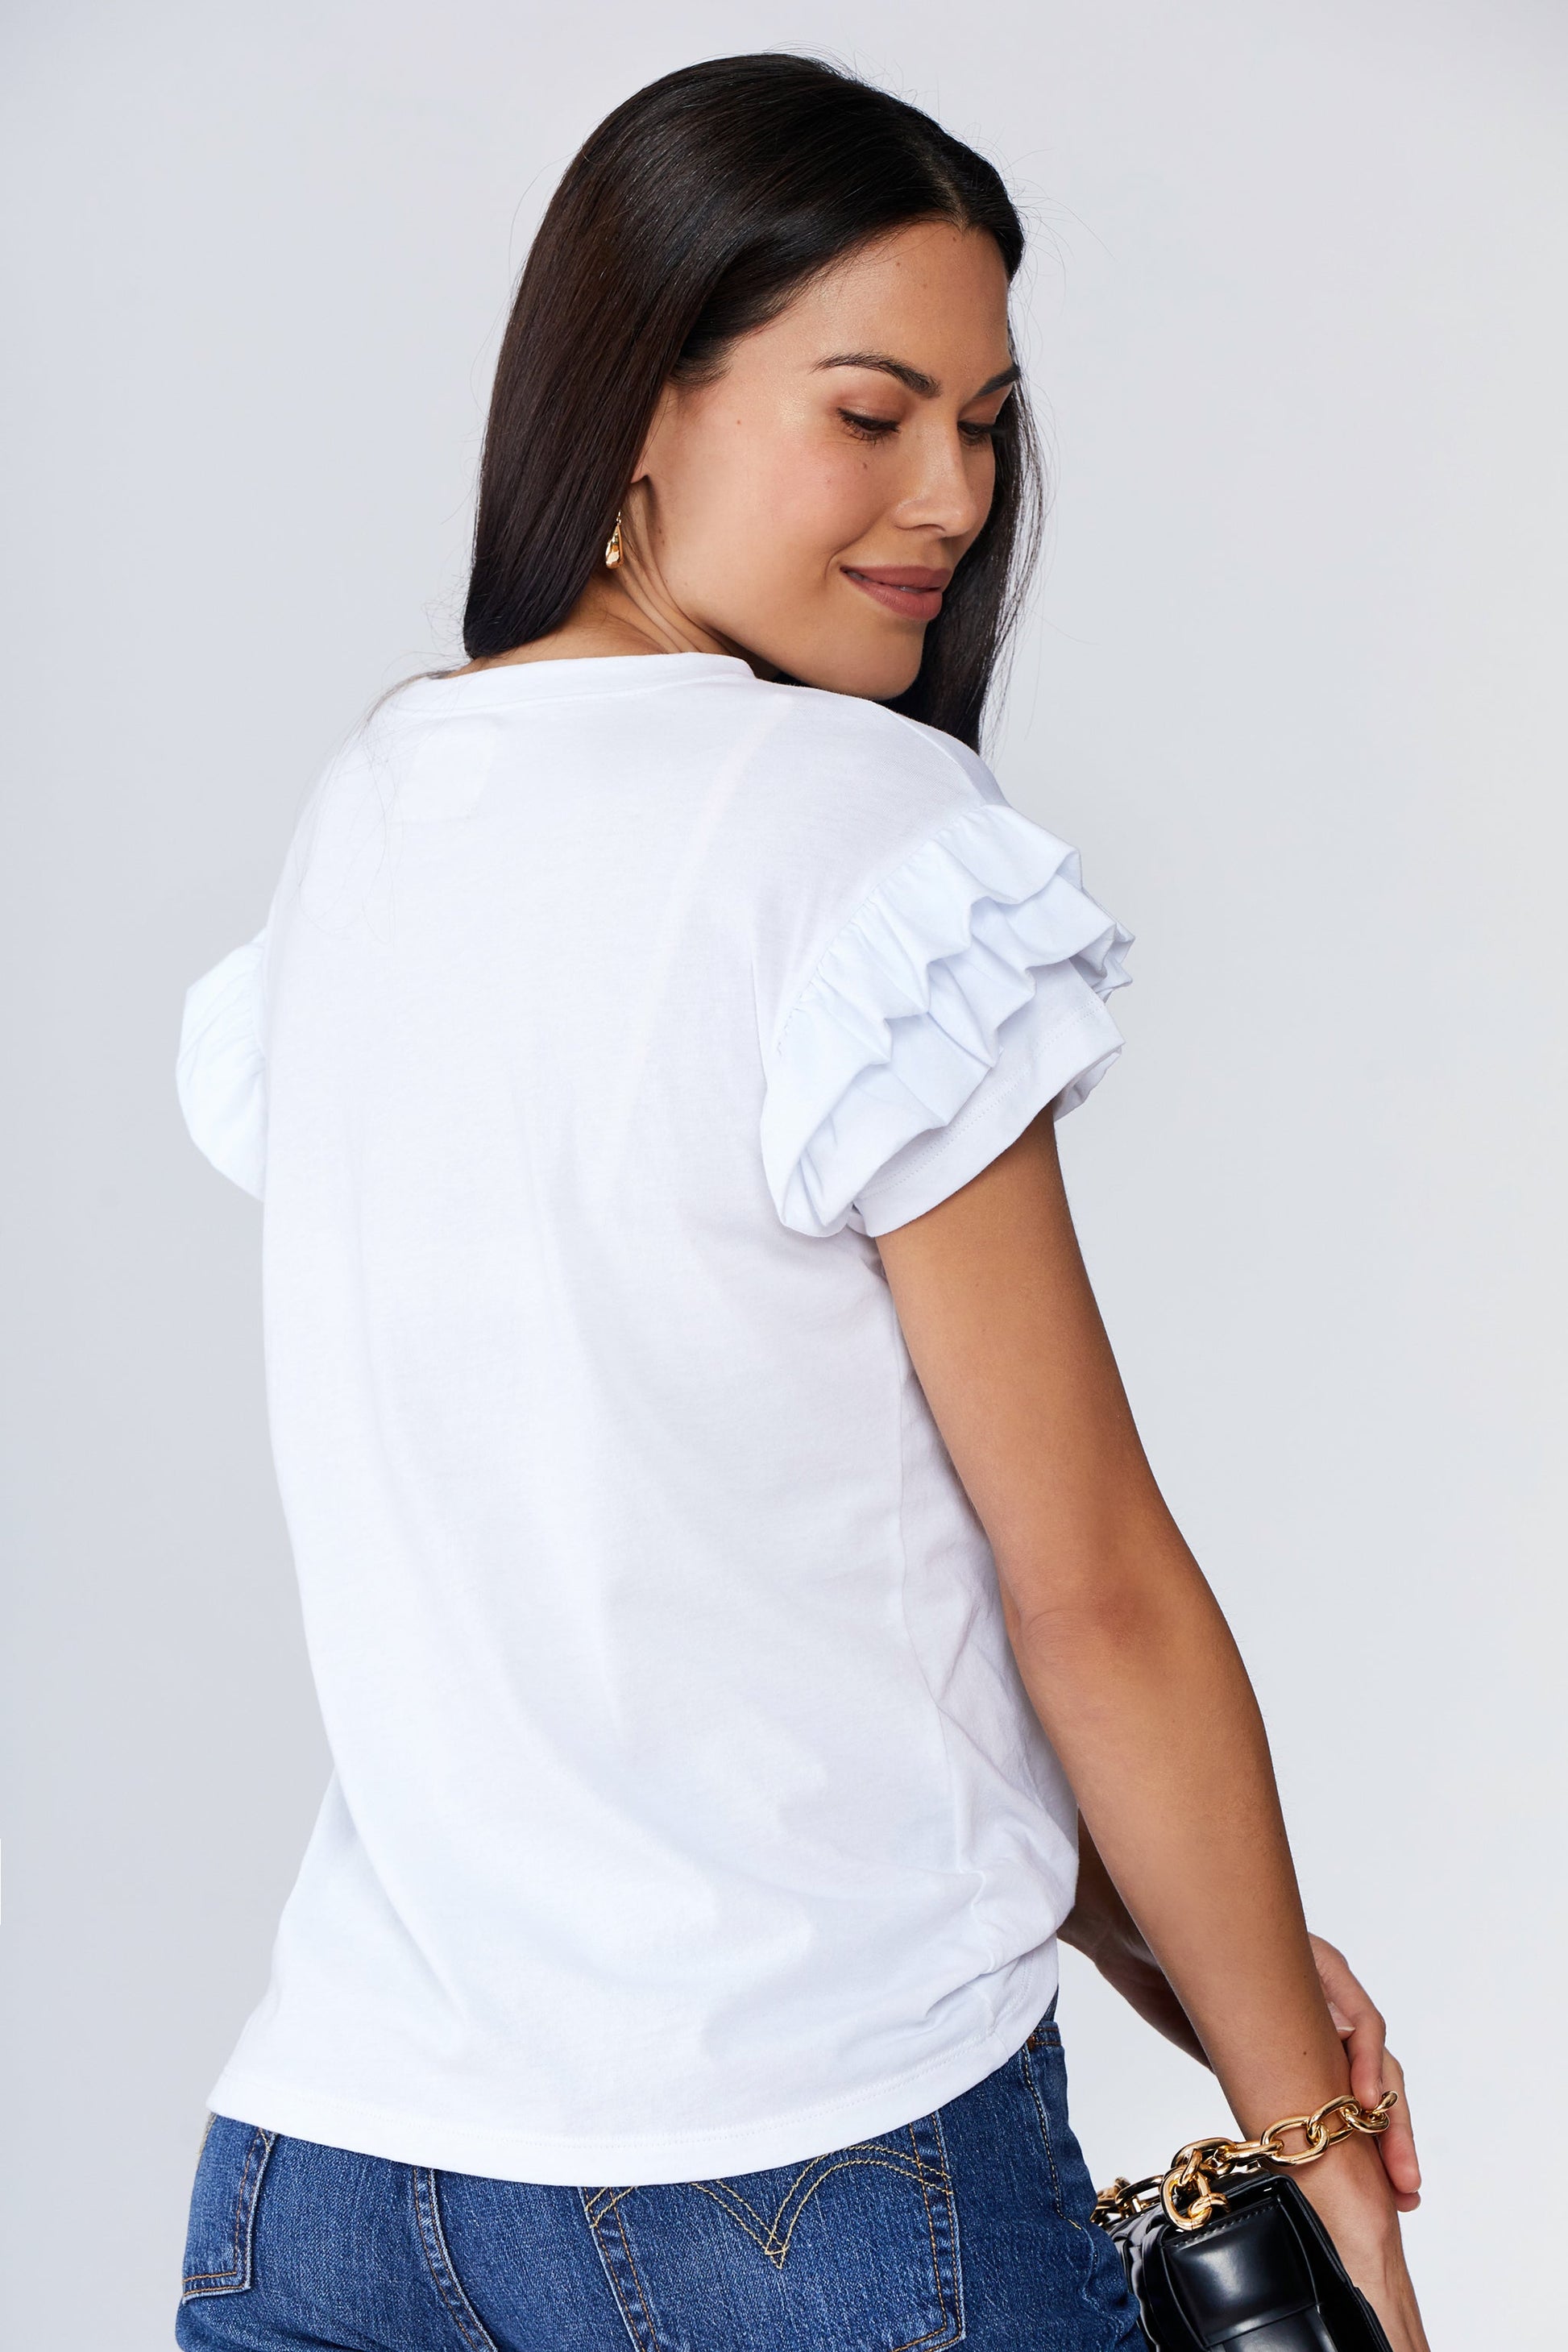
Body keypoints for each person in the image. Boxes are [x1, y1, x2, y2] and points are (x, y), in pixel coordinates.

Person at [172, 52, 1429, 2352]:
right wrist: (1306, 2133)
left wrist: (1169, 1933)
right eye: (870, 413)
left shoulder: (367, 822)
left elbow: (697, 1611)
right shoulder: (851, 836)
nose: (947, 493)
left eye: (985, 421)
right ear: (642, 400)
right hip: (813, 2190)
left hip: (339, 2175)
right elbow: (1090, 1588)